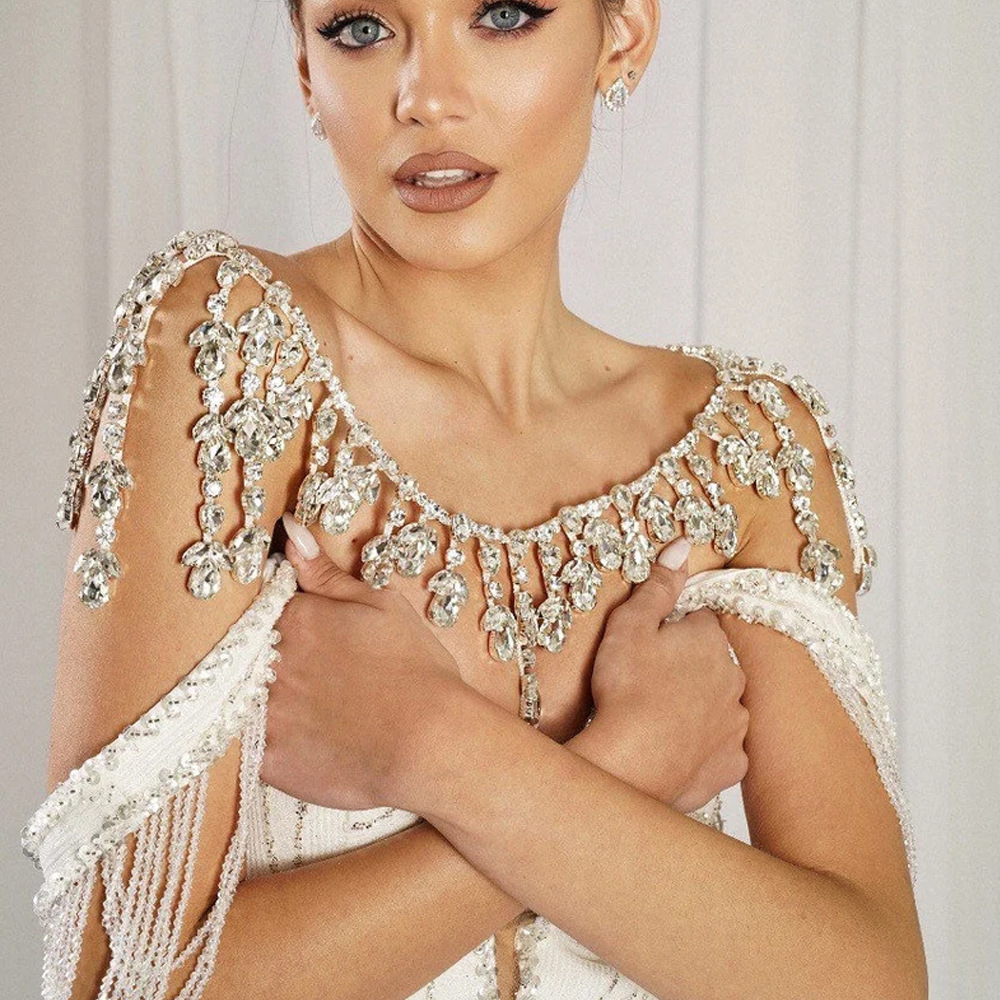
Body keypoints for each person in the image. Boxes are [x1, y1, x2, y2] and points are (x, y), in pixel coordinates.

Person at [21, 0, 926, 998]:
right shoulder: (235, 355)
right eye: (361, 30)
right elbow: (115, 978)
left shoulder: (748, 450)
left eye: (502, 15)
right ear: (305, 70)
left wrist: (435, 752)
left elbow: (870, 982)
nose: (427, 97)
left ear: (623, 36)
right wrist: (619, 765)